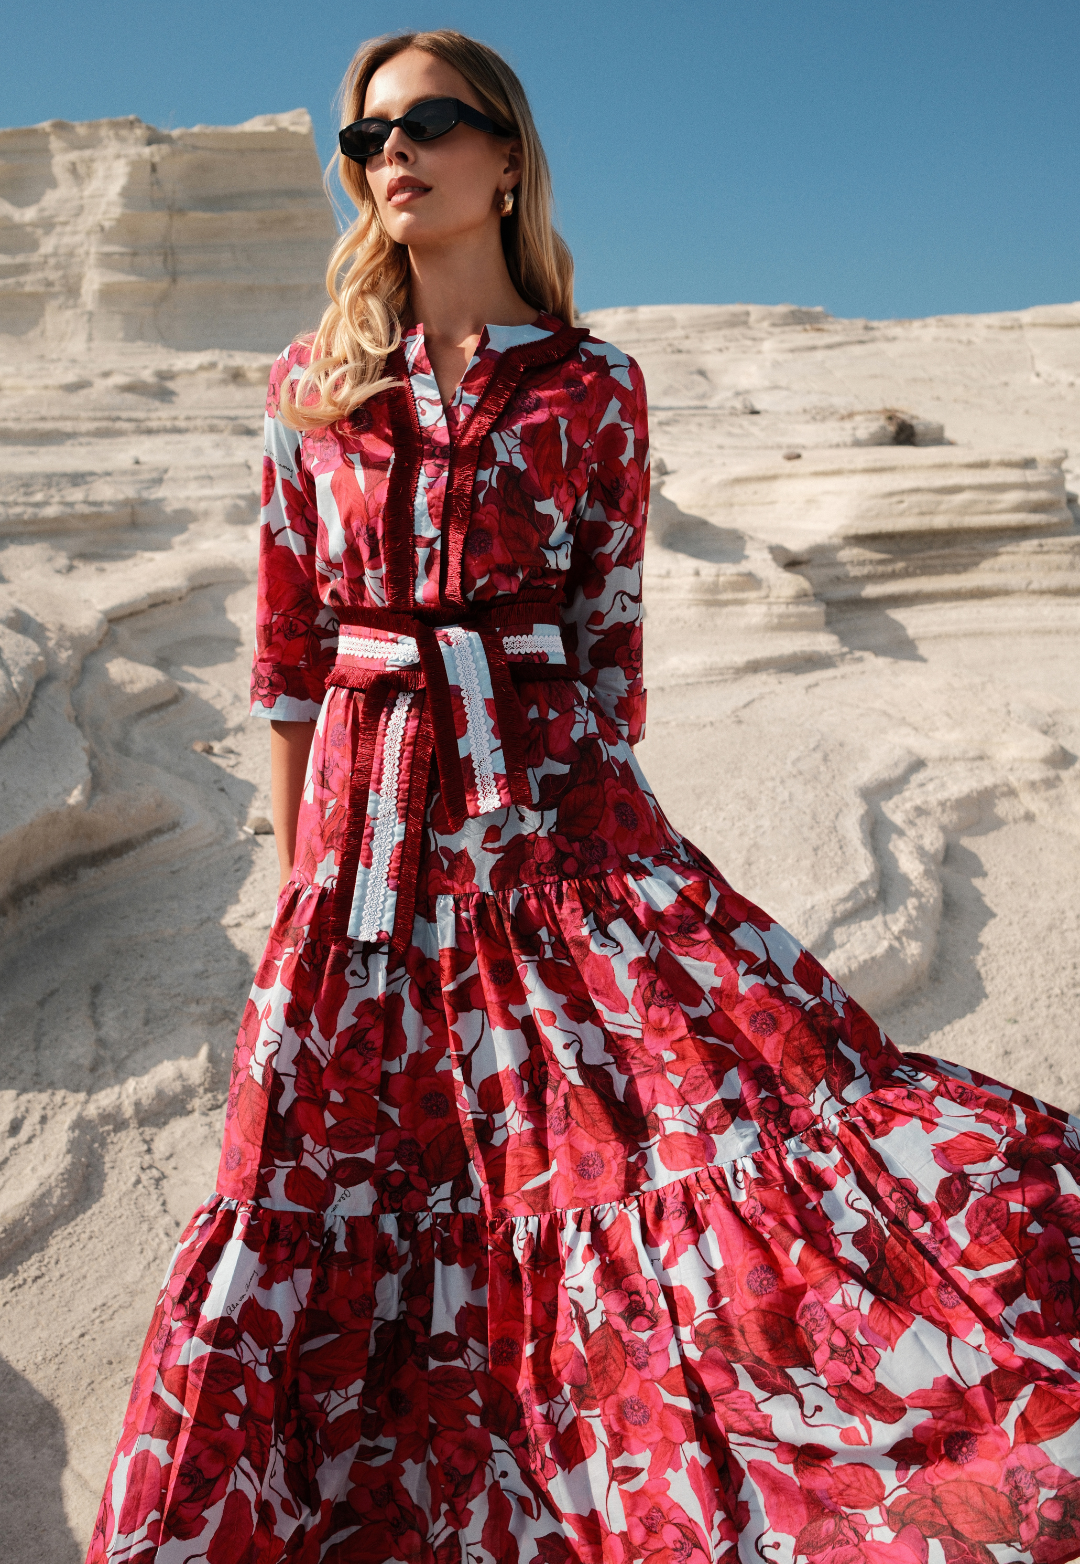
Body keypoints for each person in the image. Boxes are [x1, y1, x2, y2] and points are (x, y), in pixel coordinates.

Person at [86, 28, 1080, 1564]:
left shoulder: (594, 390)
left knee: (676, 1141)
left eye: (425, 124)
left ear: (505, 158)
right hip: (361, 856)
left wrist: (601, 874)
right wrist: (302, 893)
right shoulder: (308, 388)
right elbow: (288, 666)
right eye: (364, 139)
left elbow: (610, 659)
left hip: (561, 838)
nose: (390, 156)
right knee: (328, 1175)